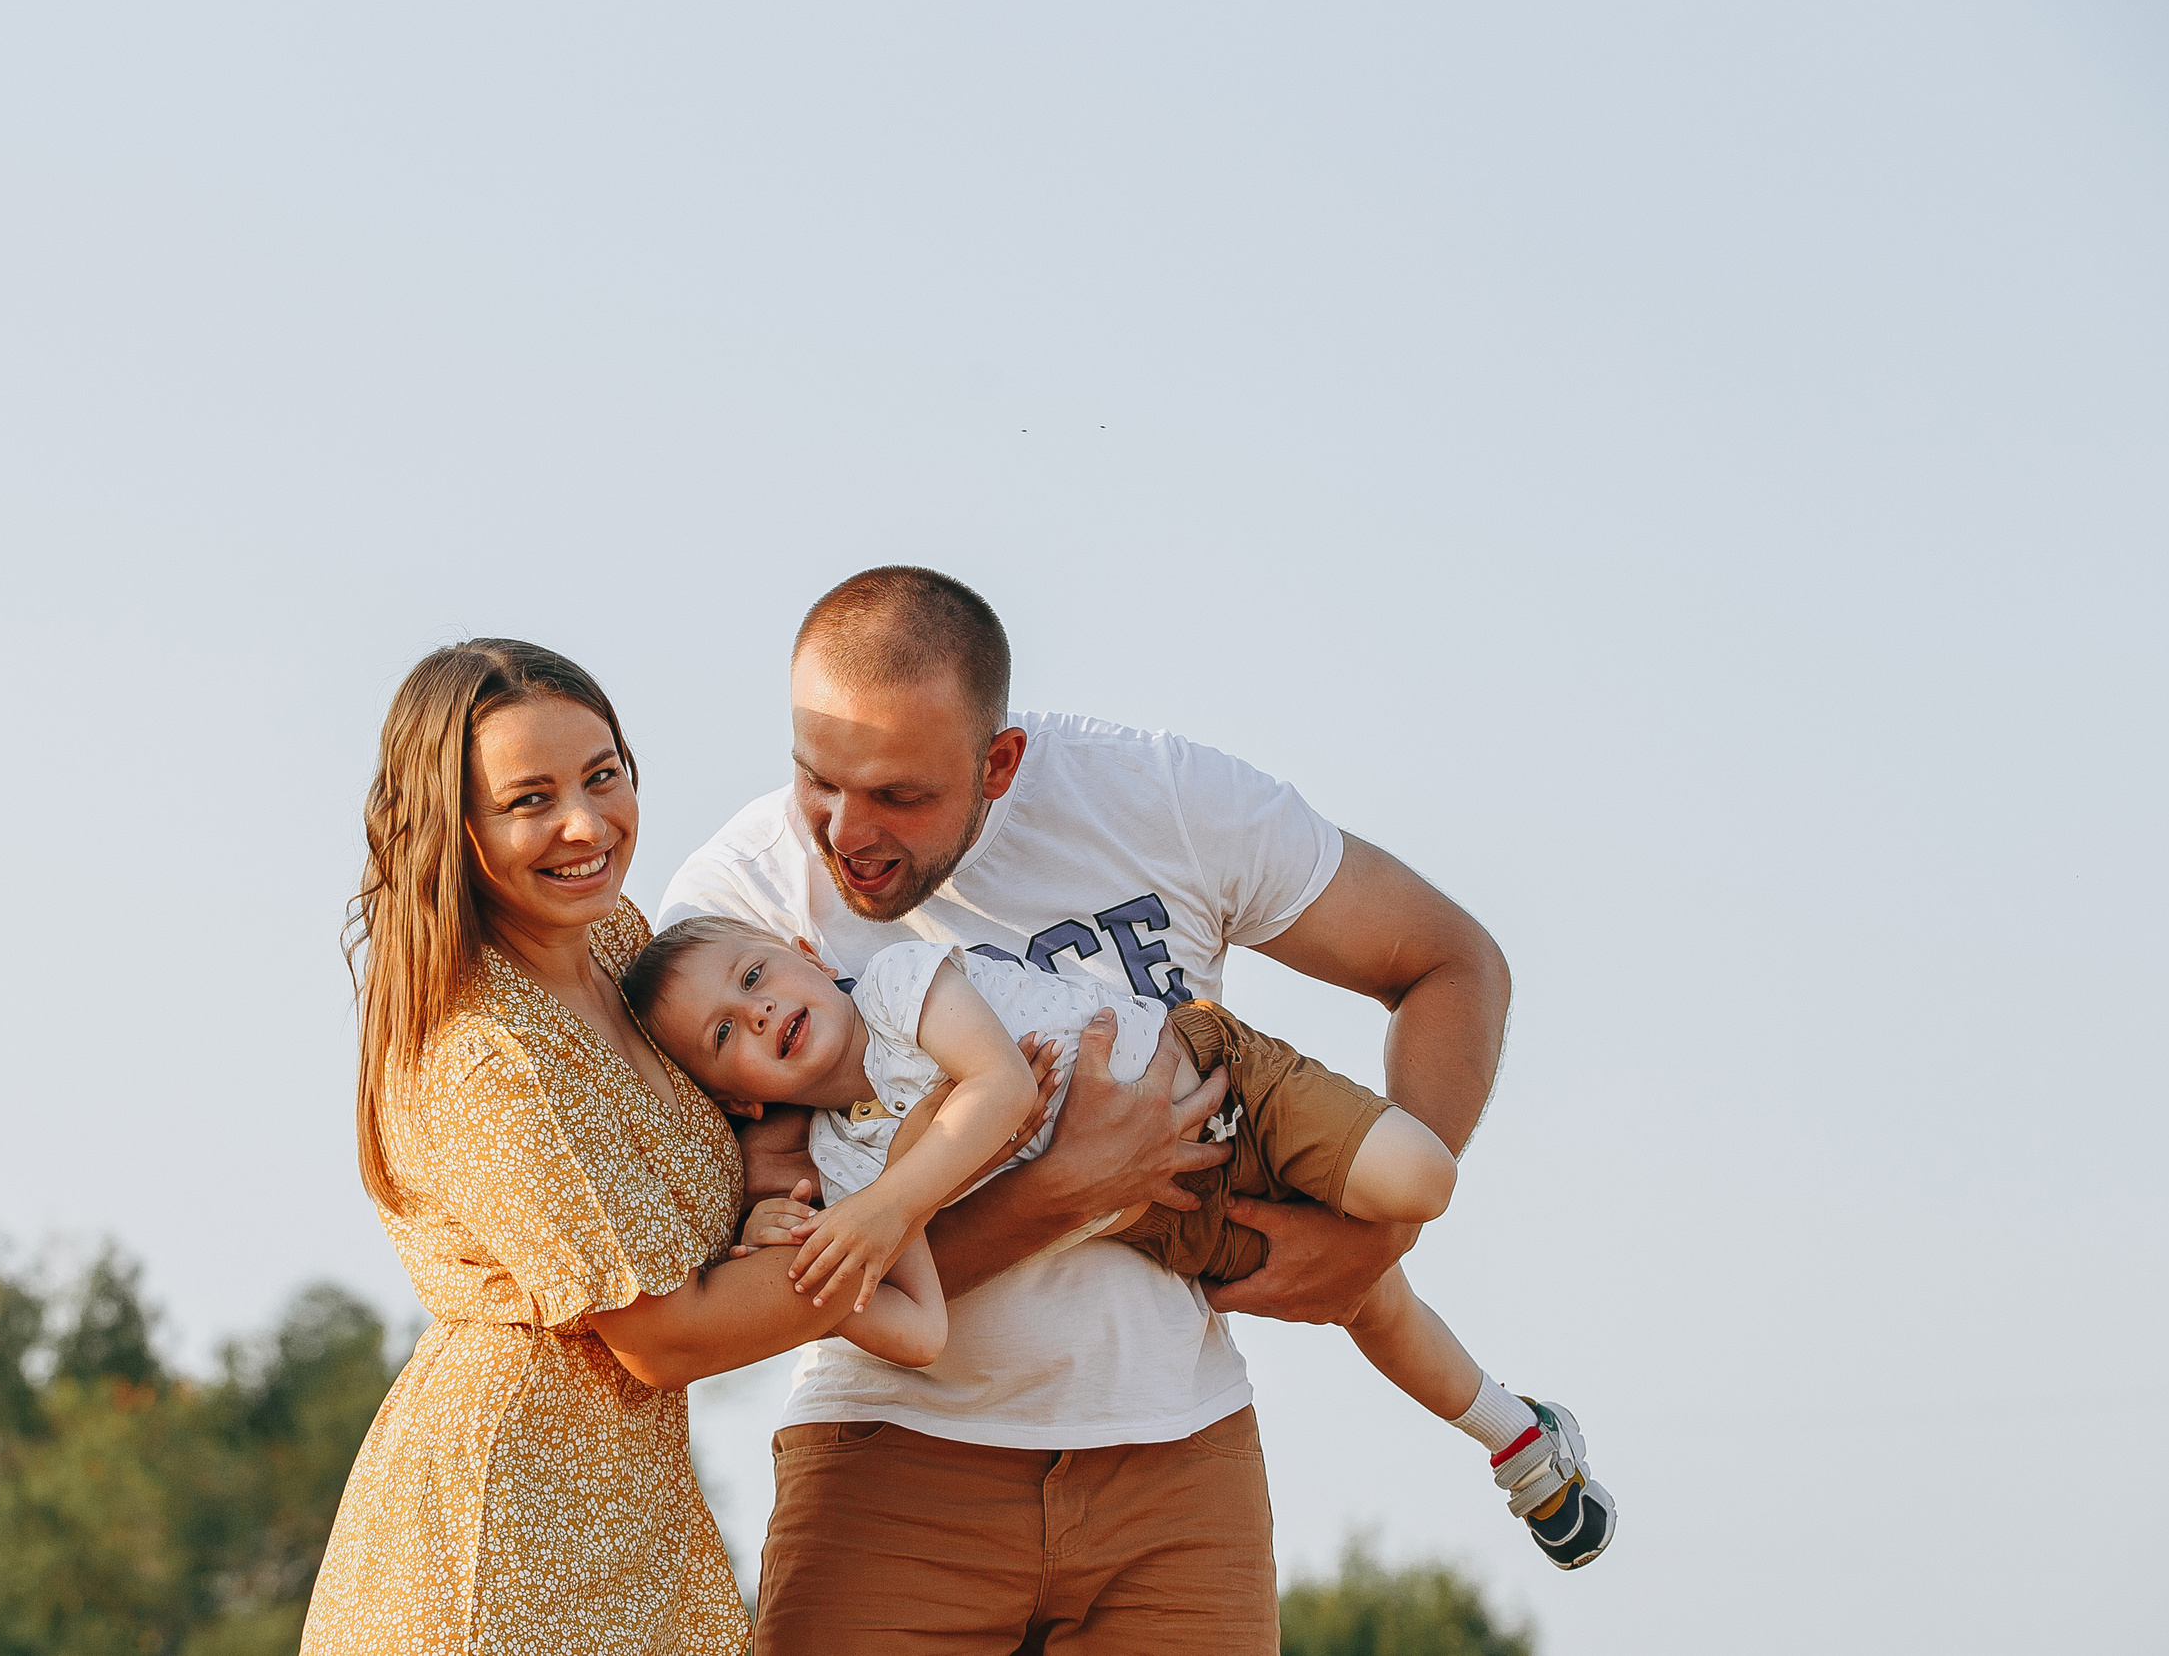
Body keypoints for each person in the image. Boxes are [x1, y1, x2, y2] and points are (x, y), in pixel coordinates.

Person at [657, 567, 1523, 1652]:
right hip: (888, 1462)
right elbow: (744, 1297)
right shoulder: (729, 932)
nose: (847, 833)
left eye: (901, 796)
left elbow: (1450, 961)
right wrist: (1055, 1193)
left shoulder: (1162, 798)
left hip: (1176, 1459)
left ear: (999, 762)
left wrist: (1376, 1238)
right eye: (816, 780)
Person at [303, 639, 946, 1656]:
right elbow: (667, 1335)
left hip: (629, 1512)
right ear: (454, 826)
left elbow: (752, 1105)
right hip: (504, 1536)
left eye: (603, 776)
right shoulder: (488, 1056)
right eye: (529, 800)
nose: (585, 825)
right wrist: (917, 1195)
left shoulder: (613, 946)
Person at [622, 920, 1615, 1569]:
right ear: (742, 1097)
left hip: (1215, 1078)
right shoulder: (842, 1173)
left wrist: (886, 1208)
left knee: (1417, 1183)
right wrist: (797, 1249)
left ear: (797, 947)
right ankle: (1519, 1438)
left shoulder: (896, 986)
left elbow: (1001, 1090)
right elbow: (918, 1327)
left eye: (754, 975)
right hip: (1165, 1209)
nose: (755, 1009)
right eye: (723, 1034)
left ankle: (1514, 1423)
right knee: (1371, 1300)